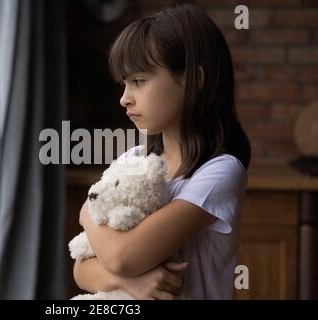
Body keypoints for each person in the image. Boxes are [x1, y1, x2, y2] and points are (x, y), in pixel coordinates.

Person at [73, 3, 251, 300]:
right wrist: (131, 284)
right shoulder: (132, 160)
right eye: (124, 84)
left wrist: (85, 213)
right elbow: (80, 270)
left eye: (139, 81)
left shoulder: (219, 172)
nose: (124, 99)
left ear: (194, 80)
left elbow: (121, 257)